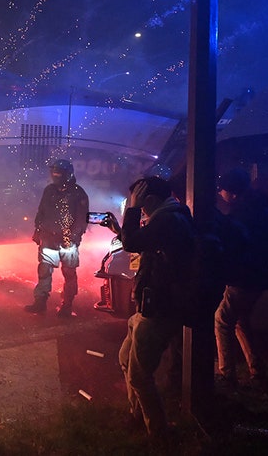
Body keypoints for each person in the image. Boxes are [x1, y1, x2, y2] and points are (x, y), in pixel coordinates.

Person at [117, 176, 195, 438]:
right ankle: (137, 416)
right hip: (152, 305)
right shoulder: (171, 217)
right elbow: (143, 242)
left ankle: (158, 434)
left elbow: (132, 243)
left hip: (159, 308)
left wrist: (132, 210)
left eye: (139, 202)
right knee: (126, 359)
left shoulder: (168, 219)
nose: (137, 206)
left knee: (140, 375)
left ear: (149, 200)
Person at [213, 167, 268, 386]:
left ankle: (226, 374)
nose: (220, 194)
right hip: (262, 277)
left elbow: (231, 245)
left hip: (243, 277)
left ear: (232, 193)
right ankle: (256, 367)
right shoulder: (266, 211)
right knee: (240, 320)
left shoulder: (240, 215)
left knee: (222, 320)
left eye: (222, 190)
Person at [25, 158, 89, 316]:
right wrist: (38, 231)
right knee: (44, 271)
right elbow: (41, 212)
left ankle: (67, 305)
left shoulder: (78, 193)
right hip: (48, 238)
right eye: (54, 171)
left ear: (67, 173)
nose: (56, 174)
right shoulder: (49, 190)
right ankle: (40, 302)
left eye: (59, 172)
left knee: (69, 273)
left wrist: (71, 238)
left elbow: (81, 219)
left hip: (68, 241)